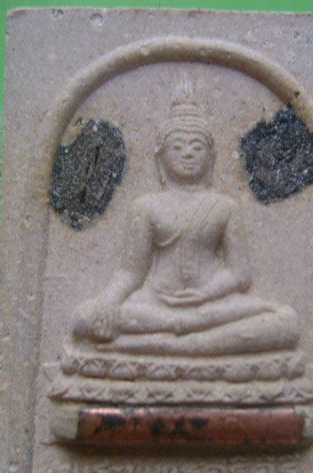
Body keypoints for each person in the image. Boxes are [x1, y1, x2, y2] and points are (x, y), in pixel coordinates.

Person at [72, 100, 299, 356]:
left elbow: (239, 274)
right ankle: (195, 343)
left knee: (284, 322)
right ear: (160, 157)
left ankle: (165, 344)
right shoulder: (145, 206)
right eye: (177, 147)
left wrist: (205, 294)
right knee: (85, 318)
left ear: (211, 157)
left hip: (214, 306)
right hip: (156, 304)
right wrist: (108, 302)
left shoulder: (224, 206)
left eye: (197, 147)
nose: (188, 154)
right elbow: (130, 273)